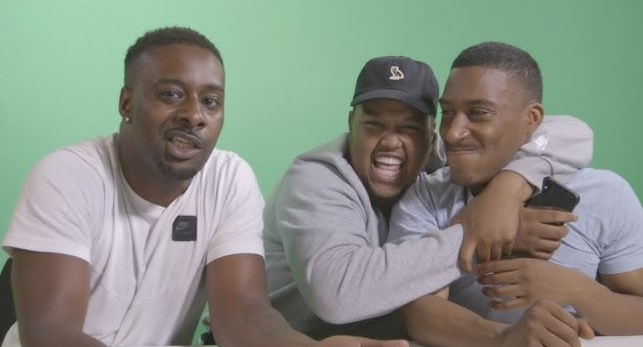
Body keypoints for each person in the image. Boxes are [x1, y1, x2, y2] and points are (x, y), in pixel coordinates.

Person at [0, 27, 409, 347]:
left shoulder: (229, 179)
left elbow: (242, 314)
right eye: (172, 95)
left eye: (211, 101)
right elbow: (50, 333)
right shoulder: (67, 175)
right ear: (127, 103)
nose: (194, 115)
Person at [263, 55, 594, 340]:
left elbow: (572, 133)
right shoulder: (315, 179)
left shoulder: (442, 154)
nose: (391, 142)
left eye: (408, 128)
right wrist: (483, 237)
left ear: (431, 133)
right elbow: (335, 293)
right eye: (375, 124)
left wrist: (509, 188)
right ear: (352, 123)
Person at [389, 41, 643, 346]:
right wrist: (507, 338)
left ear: (532, 120)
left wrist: (577, 290)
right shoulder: (427, 195)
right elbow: (417, 313)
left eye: (479, 113)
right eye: (447, 112)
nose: (453, 133)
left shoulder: (605, 193)